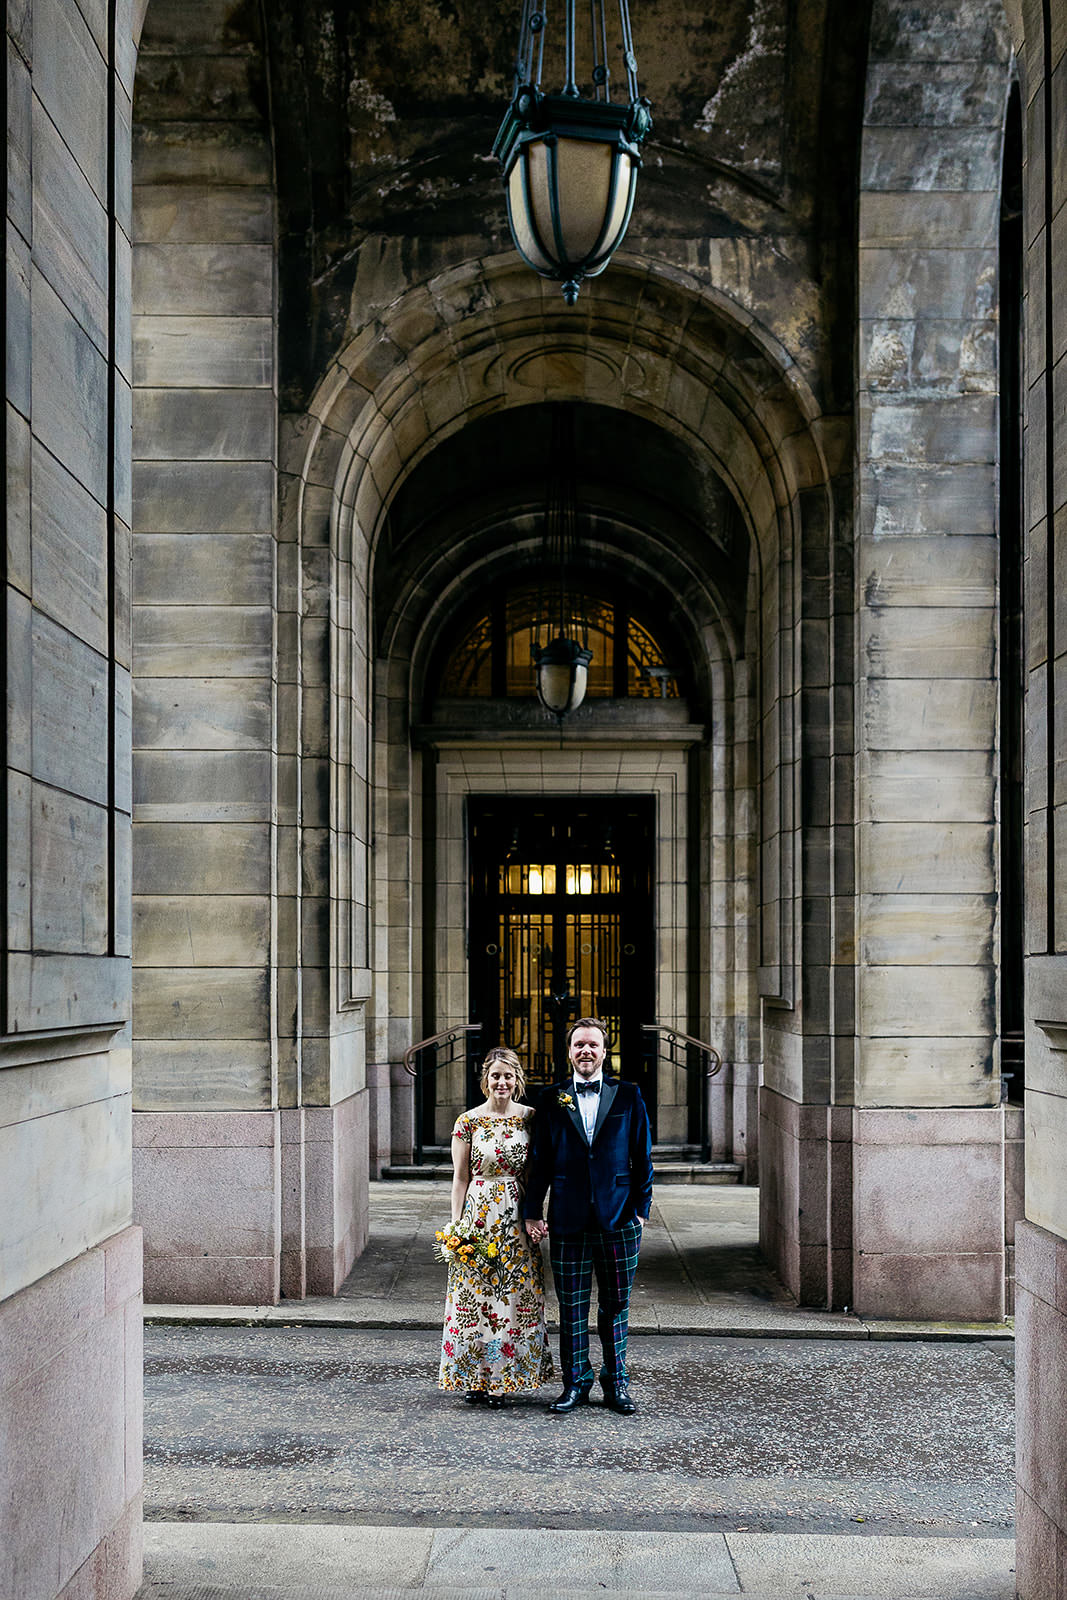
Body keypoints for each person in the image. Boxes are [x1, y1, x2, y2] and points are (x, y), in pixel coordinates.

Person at [522, 1017, 653, 1416]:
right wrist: (532, 1212)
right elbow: (540, 1161)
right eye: (579, 1045)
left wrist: (640, 1212)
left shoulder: (628, 1094)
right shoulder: (550, 1098)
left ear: (605, 1051)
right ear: (569, 1051)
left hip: (619, 1220)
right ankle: (575, 1383)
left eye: (593, 1045)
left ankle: (617, 1384)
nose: (586, 1051)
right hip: (567, 1218)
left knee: (616, 1305)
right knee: (572, 1307)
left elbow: (642, 1157)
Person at [437, 1046, 554, 1405]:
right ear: (485, 1080)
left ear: (517, 1079)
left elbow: (538, 1174)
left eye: (508, 1076)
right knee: (475, 1298)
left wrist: (538, 1214)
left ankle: (503, 1378)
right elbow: (460, 1178)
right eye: (495, 1076)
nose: (501, 1082)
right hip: (478, 1214)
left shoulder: (531, 1118)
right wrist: (456, 1226)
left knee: (511, 1299)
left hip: (516, 1217)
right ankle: (475, 1376)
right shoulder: (468, 1121)